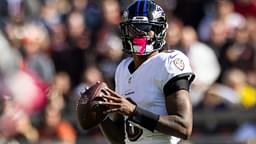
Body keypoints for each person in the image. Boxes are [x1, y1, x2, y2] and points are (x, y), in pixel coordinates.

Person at [77, 0, 195, 143]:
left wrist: (133, 111)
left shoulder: (168, 62)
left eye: (145, 28)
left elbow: (183, 127)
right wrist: (101, 116)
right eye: (133, 29)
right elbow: (122, 139)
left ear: (159, 31)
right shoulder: (122, 69)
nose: (139, 34)